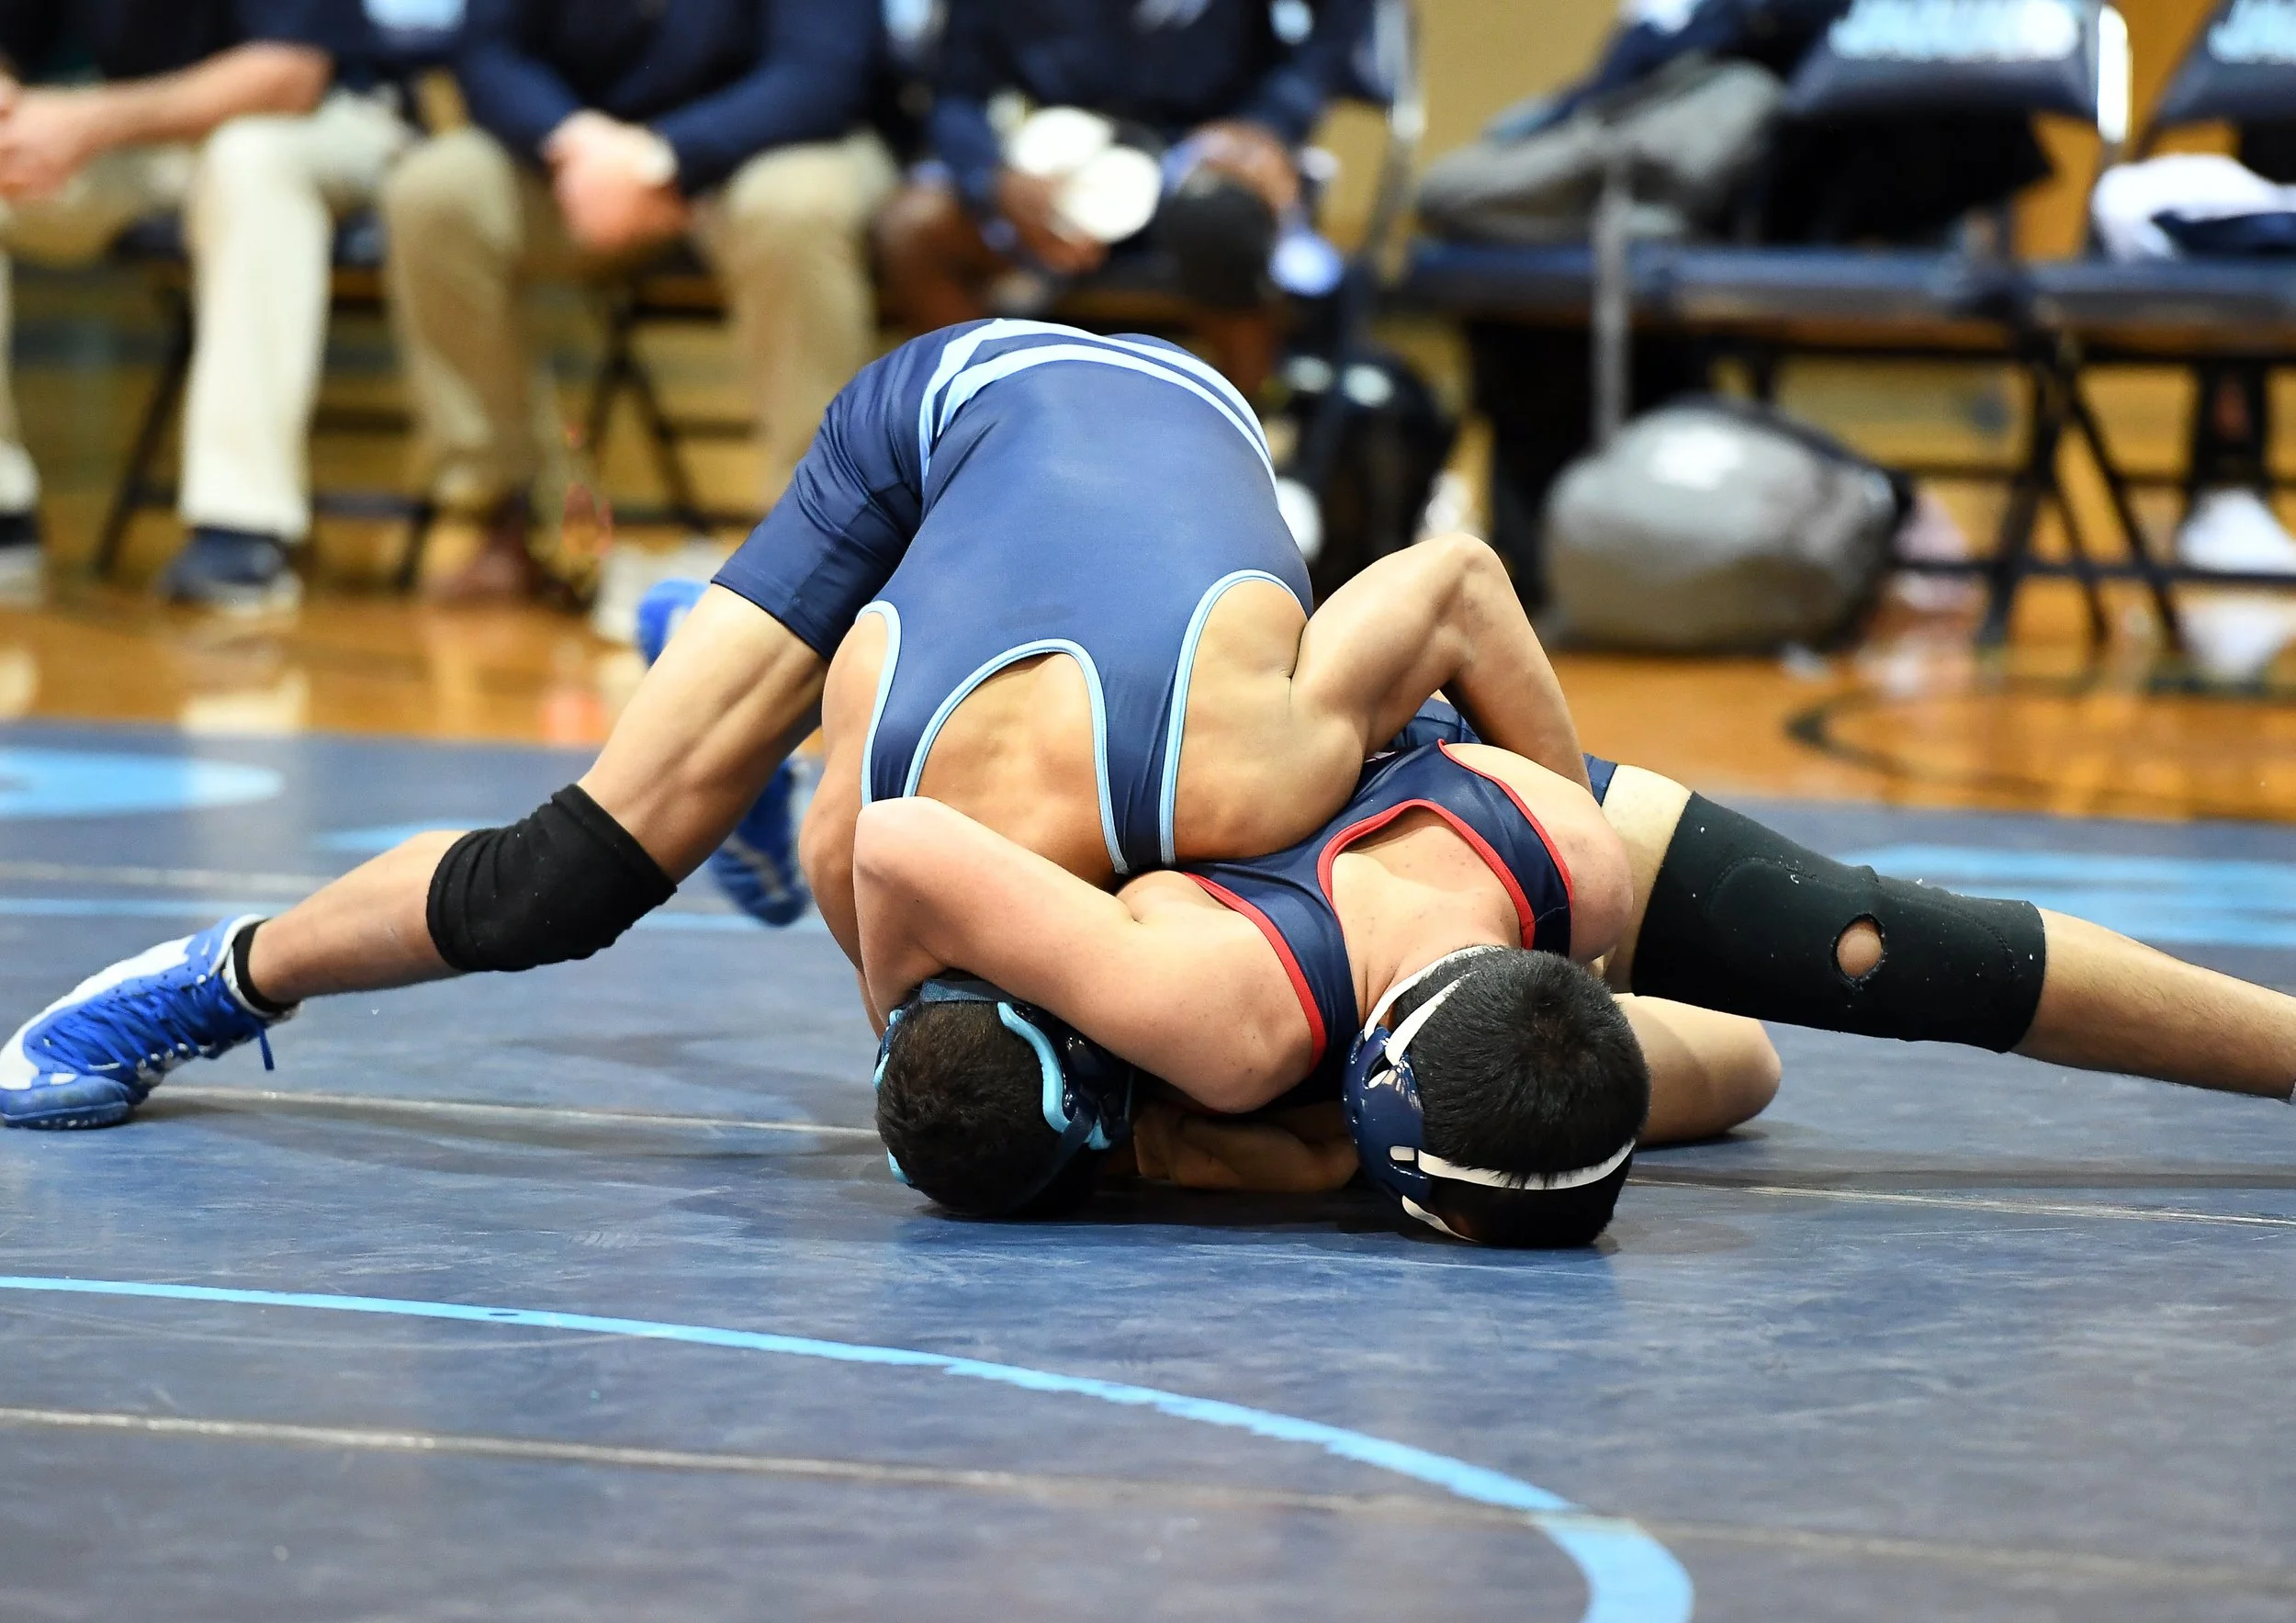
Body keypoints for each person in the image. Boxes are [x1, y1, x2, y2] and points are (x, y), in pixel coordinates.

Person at [0, 321, 1593, 1129]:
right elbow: (1455, 577)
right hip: (949, 418)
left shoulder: (1218, 795)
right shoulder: (1211, 793)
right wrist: (1581, 894)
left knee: (679, 843)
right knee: (569, 878)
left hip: (1135, 441)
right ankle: (206, 979)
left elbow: (1461, 584)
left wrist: (1577, 858)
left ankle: (732, 707)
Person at [861, 717, 2296, 1239]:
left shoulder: (1188, 1006)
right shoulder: (1195, 1065)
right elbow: (1745, 1065)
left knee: (1869, 945)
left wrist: (1526, 807)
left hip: (1427, 802)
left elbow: (880, 839)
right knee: (1741, 1065)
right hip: (1418, 904)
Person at [385, 0, 894, 602]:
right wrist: (574, 142)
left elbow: (818, 76)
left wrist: (662, 159)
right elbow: (490, 52)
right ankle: (510, 512)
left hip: (771, 145)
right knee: (435, 193)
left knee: (795, 211)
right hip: (581, 168)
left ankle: (816, 536)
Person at [0, 0, 405, 610]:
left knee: (251, 161)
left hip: (322, 121)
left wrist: (89, 119)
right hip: (141, 131)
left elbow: (290, 76)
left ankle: (241, 527)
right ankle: (5, 511)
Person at [873, 0, 1370, 396]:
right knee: (912, 230)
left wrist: (1273, 121)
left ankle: (1243, 445)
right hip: (1056, 159)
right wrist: (992, 181)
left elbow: (1343, 21)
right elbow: (956, 91)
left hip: (1199, 151)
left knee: (1220, 220)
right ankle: (1008, 431)